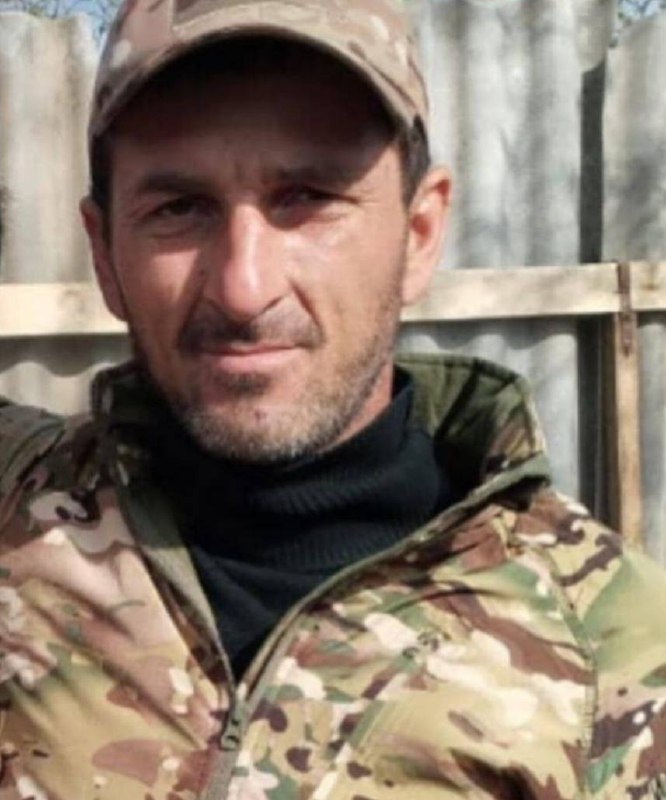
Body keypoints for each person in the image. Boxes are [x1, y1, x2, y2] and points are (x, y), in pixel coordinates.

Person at [2, 1, 666, 798]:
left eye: (308, 197)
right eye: (178, 209)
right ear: (105, 255)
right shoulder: (16, 508)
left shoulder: (611, 648)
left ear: (419, 234)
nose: (244, 288)